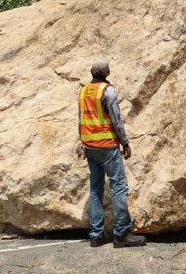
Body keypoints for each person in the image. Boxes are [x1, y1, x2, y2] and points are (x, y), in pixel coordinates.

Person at [77, 59, 146, 248]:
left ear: (91, 72)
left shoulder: (83, 92)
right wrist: (125, 142)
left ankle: (96, 235)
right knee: (119, 187)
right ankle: (121, 234)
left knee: (95, 189)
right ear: (107, 73)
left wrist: (82, 142)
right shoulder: (108, 91)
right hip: (107, 146)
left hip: (90, 146)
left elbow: (81, 119)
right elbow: (116, 120)